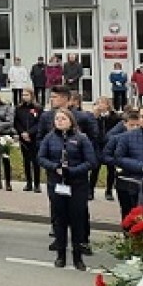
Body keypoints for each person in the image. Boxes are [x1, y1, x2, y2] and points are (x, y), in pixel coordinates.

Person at [38, 107, 96, 271]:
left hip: (77, 185)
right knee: (59, 219)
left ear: (71, 121)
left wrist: (72, 170)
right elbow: (41, 158)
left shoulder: (81, 138)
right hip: (56, 183)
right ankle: (61, 255)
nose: (60, 121)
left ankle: (78, 257)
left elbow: (91, 162)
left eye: (63, 119)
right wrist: (54, 166)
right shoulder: (49, 138)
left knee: (77, 220)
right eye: (57, 119)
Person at [112, 109, 143, 221]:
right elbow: (118, 158)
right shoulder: (127, 137)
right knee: (131, 220)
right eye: (142, 116)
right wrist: (140, 166)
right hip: (132, 185)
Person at [91, 96, 120, 201]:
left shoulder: (115, 117)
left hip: (110, 146)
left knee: (111, 169)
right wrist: (96, 116)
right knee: (95, 169)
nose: (100, 105)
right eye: (98, 103)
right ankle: (90, 190)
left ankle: (109, 191)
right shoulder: (95, 117)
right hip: (98, 145)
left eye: (102, 103)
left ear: (108, 105)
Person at [15, 89, 42, 193]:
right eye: (23, 95)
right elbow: (17, 122)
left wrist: (30, 133)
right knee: (26, 160)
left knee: (36, 161)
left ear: (32, 95)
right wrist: (22, 133)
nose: (24, 97)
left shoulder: (37, 108)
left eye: (26, 95)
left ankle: (37, 184)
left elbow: (39, 123)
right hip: (23, 138)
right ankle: (29, 183)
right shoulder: (19, 108)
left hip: (34, 137)